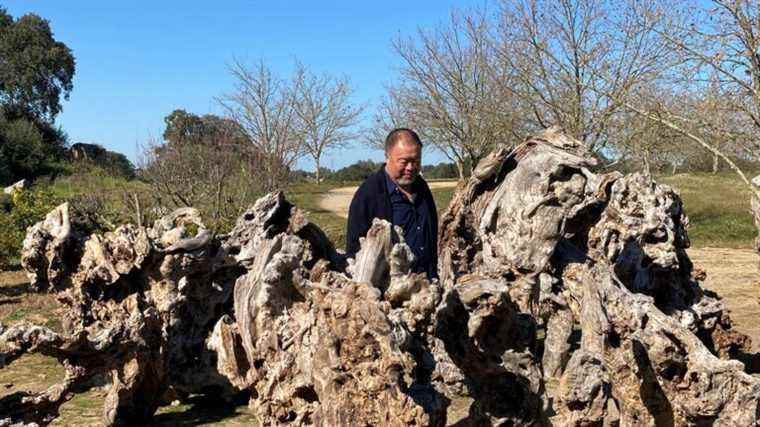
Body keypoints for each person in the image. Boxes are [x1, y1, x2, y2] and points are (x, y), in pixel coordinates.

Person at [346, 128, 438, 279]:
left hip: (426, 288)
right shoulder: (368, 194)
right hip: (389, 293)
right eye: (404, 161)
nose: (410, 167)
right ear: (387, 157)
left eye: (416, 161)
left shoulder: (422, 187)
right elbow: (355, 250)